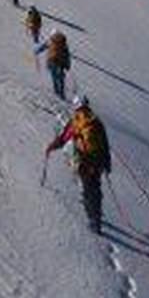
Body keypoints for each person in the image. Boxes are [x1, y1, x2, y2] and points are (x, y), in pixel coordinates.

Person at [46, 95, 111, 234]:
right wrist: (107, 163)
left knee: (88, 189)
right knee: (95, 187)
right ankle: (97, 214)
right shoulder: (96, 121)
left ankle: (94, 219)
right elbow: (105, 144)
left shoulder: (76, 122)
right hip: (98, 160)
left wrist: (51, 147)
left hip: (85, 161)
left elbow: (64, 138)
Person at [34, 28, 71, 99]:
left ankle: (57, 92)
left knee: (55, 78)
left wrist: (37, 51)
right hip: (60, 63)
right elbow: (67, 56)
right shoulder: (63, 44)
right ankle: (61, 94)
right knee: (60, 78)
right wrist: (67, 65)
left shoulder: (50, 41)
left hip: (51, 61)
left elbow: (42, 47)